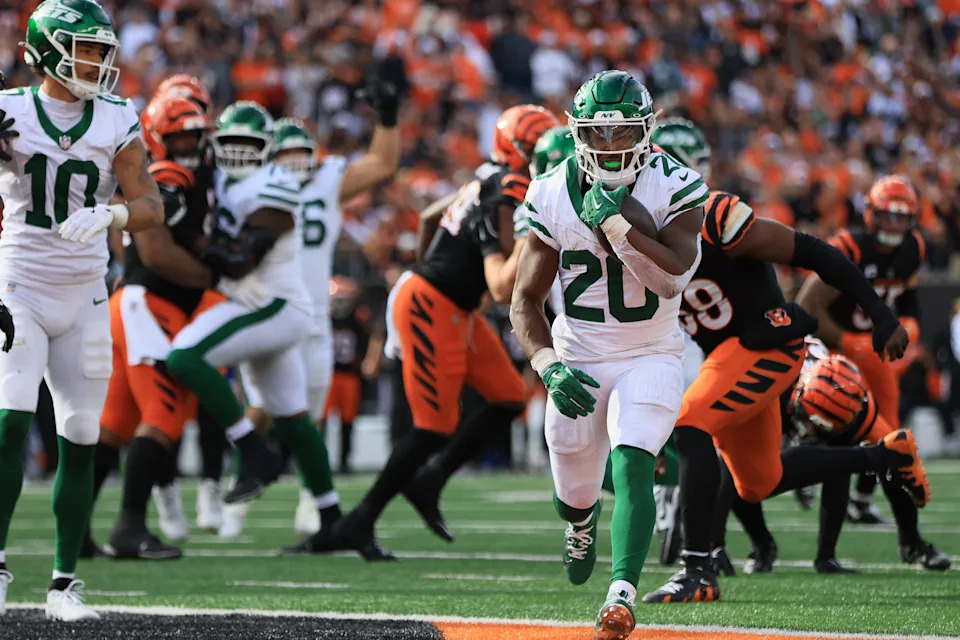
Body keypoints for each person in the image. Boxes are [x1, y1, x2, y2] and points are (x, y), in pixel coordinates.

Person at [639, 119, 926, 604]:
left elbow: (815, 252)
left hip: (768, 345)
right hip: (727, 353)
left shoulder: (718, 217)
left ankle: (697, 570)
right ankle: (882, 456)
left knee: (690, 423)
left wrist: (879, 314)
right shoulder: (637, 232)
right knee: (758, 482)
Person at [511, 70, 707, 640]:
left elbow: (673, 277)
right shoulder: (549, 190)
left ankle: (621, 594)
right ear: (578, 133)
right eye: (599, 133)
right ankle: (580, 524)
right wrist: (546, 364)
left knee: (634, 457)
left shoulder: (676, 184)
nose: (612, 145)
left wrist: (619, 226)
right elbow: (524, 299)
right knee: (574, 491)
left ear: (646, 132)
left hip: (652, 348)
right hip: (579, 352)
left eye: (623, 134)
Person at [323, 103, 558, 554]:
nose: (544, 158)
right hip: (434, 303)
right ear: (515, 150)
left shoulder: (485, 179)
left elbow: (431, 215)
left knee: (509, 395)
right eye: (535, 149)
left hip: (453, 304)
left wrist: (433, 267)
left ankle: (430, 480)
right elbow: (502, 286)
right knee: (434, 424)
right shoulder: (507, 186)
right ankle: (361, 518)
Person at [0, 0, 165, 620]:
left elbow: (151, 203)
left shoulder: (116, 117)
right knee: (10, 422)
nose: (94, 62)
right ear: (45, 49)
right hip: (18, 285)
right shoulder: (12, 110)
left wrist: (114, 212)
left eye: (100, 50)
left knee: (81, 436)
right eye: (83, 48)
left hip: (86, 292)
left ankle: (64, 584)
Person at [226, 81, 399, 541]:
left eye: (303, 152)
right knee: (260, 409)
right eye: (286, 154)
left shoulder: (327, 178)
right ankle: (240, 491)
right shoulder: (253, 186)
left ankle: (310, 495)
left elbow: (382, 162)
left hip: (316, 318)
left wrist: (388, 120)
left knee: (312, 417)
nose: (297, 162)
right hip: (268, 309)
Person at [91, 95, 219, 560]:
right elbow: (156, 255)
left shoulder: (181, 176)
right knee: (162, 419)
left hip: (135, 304)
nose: (187, 144)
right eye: (177, 135)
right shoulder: (158, 178)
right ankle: (128, 528)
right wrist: (217, 278)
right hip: (150, 306)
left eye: (193, 133)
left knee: (114, 425)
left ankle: (78, 528)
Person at [713, 339, 949, 573]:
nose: (814, 433)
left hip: (823, 390)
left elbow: (895, 460)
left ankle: (909, 545)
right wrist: (714, 544)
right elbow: (726, 461)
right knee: (743, 474)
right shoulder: (770, 388)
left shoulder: (855, 404)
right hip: (772, 394)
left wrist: (910, 532)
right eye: (814, 424)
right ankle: (762, 544)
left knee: (885, 459)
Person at [796, 174, 924, 525]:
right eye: (888, 215)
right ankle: (796, 466)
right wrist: (847, 341)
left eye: (902, 216)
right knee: (829, 423)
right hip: (832, 348)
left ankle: (862, 500)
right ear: (870, 213)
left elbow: (909, 300)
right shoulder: (849, 247)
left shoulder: (914, 248)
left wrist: (911, 323)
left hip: (873, 350)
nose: (895, 224)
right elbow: (807, 307)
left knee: (888, 424)